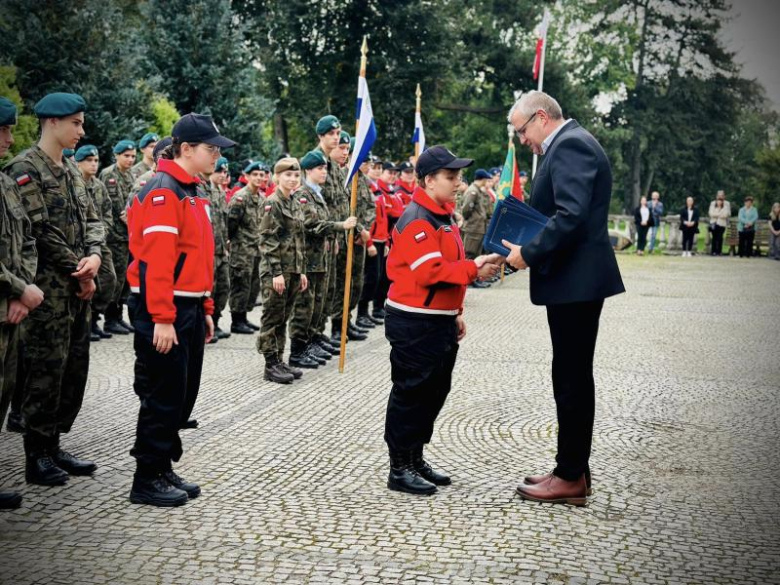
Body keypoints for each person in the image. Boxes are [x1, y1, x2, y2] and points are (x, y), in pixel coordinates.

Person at [504, 90, 625, 506]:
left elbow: (570, 216)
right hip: (574, 282)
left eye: (522, 131)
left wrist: (527, 253)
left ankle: (570, 476)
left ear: (541, 117)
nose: (523, 141)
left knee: (571, 379)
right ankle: (572, 467)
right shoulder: (571, 143)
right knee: (570, 376)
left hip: (577, 282)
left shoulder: (571, 144)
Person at [126, 113, 234, 507]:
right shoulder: (163, 190)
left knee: (182, 392)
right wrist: (163, 317)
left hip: (187, 304)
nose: (217, 158)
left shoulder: (192, 190)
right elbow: (157, 261)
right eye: (211, 149)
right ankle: (146, 476)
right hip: (164, 307)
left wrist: (206, 306)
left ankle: (163, 465)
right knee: (162, 394)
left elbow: (199, 256)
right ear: (186, 148)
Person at [383, 145, 501, 495]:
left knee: (434, 391)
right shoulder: (419, 217)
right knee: (412, 393)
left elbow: (449, 268)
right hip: (414, 321)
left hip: (438, 319)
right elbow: (431, 272)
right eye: (451, 177)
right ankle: (399, 466)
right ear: (430, 179)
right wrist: (475, 268)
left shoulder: (441, 214)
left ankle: (415, 457)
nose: (458, 183)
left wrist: (456, 313)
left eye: (459, 176)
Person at [5, 92, 104, 487]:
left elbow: (93, 220)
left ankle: (55, 443)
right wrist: (80, 271)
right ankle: (37, 453)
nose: (81, 131)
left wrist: (94, 256)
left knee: (72, 369)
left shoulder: (70, 172)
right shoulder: (24, 169)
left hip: (78, 287)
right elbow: (39, 232)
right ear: (52, 123)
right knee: (45, 370)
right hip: (48, 290)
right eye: (76, 123)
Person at [0, 97, 42, 508]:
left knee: (4, 391)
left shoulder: (6, 183)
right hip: (7, 301)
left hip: (12, 309)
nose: (10, 139)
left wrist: (22, 290)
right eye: (4, 131)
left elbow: (28, 240)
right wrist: (17, 288)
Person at [289, 150, 357, 365]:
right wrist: (340, 227)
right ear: (308, 170)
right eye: (319, 168)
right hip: (308, 259)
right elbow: (311, 225)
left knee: (317, 303)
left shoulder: (317, 194)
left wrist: (332, 238)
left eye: (325, 168)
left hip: (320, 257)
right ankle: (297, 351)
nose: (324, 172)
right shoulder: (303, 194)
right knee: (304, 305)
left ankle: (312, 340)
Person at [256, 158, 309, 383]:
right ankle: (270, 364)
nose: (292, 179)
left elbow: (298, 239)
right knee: (272, 316)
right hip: (275, 271)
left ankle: (279, 359)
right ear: (277, 177)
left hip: (293, 270)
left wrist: (302, 271)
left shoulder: (294, 202)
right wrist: (276, 272)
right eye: (287, 175)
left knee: (284, 316)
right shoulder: (272, 202)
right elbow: (268, 239)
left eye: (296, 175)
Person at [75, 145, 117, 341]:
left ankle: (96, 316)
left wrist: (103, 233)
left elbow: (107, 212)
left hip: (99, 242)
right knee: (86, 282)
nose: (93, 164)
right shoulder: (74, 182)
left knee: (109, 280)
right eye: (89, 160)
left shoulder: (99, 186)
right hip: (80, 244)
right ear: (78, 162)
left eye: (96, 161)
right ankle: (87, 322)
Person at [100, 139, 137, 335]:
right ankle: (109, 318)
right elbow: (113, 206)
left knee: (124, 278)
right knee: (114, 277)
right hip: (115, 235)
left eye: (133, 156)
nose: (130, 160)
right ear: (116, 155)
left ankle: (117, 316)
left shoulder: (131, 175)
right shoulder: (109, 175)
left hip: (128, 235)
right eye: (126, 156)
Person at [227, 161, 265, 334]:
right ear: (247, 176)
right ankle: (236, 321)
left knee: (252, 285)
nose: (259, 177)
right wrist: (233, 241)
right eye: (255, 174)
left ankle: (244, 318)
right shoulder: (240, 198)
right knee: (240, 284)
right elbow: (230, 224)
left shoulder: (262, 198)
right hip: (242, 250)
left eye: (261, 174)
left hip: (257, 250)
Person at [206, 157, 232, 339]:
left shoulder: (220, 193)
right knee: (210, 288)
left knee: (224, 287)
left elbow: (224, 223)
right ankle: (204, 324)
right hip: (208, 250)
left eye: (225, 172)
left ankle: (215, 320)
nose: (223, 175)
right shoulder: (202, 190)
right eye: (220, 172)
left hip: (221, 249)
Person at [460, 169, 492, 288]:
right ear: (482, 179)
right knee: (470, 254)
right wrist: (470, 220)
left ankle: (474, 278)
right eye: (486, 179)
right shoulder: (472, 191)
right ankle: (468, 279)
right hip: (473, 227)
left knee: (476, 255)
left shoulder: (477, 191)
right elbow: (466, 209)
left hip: (479, 227)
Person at [708, 190, 731, 256]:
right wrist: (719, 214)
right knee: (714, 238)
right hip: (714, 224)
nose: (720, 197)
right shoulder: (713, 203)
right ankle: (713, 251)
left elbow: (727, 214)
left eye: (722, 195)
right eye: (719, 195)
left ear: (724, 196)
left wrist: (718, 214)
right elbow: (710, 213)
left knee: (720, 237)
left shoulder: (727, 204)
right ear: (716, 196)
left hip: (722, 224)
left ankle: (719, 251)